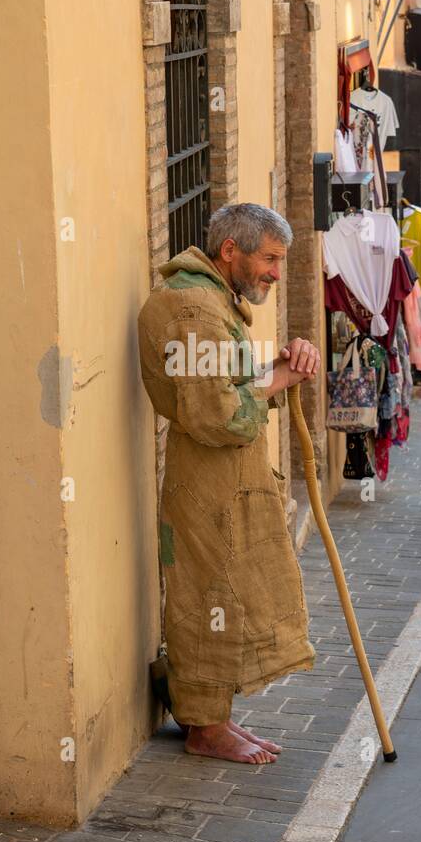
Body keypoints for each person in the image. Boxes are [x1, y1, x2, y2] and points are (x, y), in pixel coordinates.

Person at [138, 203, 320, 765]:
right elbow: (216, 412)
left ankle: (214, 719)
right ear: (230, 251)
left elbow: (229, 381)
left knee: (227, 593)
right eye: (269, 259)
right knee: (206, 594)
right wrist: (278, 379)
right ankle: (204, 728)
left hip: (222, 478)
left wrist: (278, 367)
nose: (273, 272)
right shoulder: (194, 309)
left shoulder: (213, 303)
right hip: (206, 481)